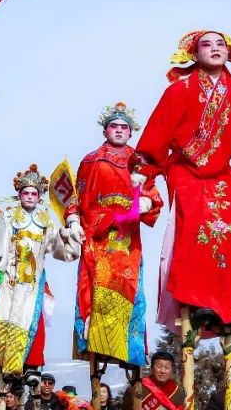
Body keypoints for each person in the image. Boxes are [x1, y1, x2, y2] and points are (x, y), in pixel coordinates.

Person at [136, 30, 231, 332]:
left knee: (228, 226)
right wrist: (143, 177)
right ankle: (194, 299)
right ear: (195, 54)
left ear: (229, 52)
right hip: (186, 170)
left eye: (221, 44)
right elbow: (157, 134)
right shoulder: (180, 90)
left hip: (220, 173)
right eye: (207, 44)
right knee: (194, 222)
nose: (215, 48)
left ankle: (226, 304)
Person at [68, 102, 162, 367]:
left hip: (127, 236)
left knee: (129, 288)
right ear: (105, 130)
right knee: (96, 288)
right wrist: (73, 218)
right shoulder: (90, 160)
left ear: (131, 132)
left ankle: (128, 350)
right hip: (97, 234)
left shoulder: (140, 161)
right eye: (114, 126)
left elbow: (152, 191)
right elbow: (77, 194)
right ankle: (97, 347)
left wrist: (147, 202)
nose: (119, 131)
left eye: (124, 127)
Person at [0, 166, 78, 375]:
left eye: (34, 193)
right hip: (9, 277)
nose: (30, 197)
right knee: (5, 314)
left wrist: (67, 235)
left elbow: (55, 247)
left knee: (27, 319)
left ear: (40, 197)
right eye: (26, 193)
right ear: (19, 195)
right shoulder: (9, 216)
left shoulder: (45, 220)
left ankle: (20, 366)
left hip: (32, 280)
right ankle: (3, 364)